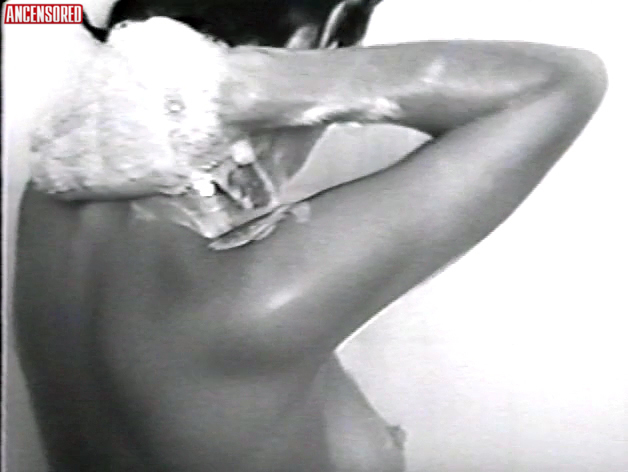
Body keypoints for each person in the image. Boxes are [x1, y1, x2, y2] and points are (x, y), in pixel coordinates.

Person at [12, 0, 607, 471]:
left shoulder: (47, 210)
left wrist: (154, 80)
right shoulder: (251, 302)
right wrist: (232, 86)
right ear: (301, 54)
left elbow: (34, 15)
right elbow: (563, 83)